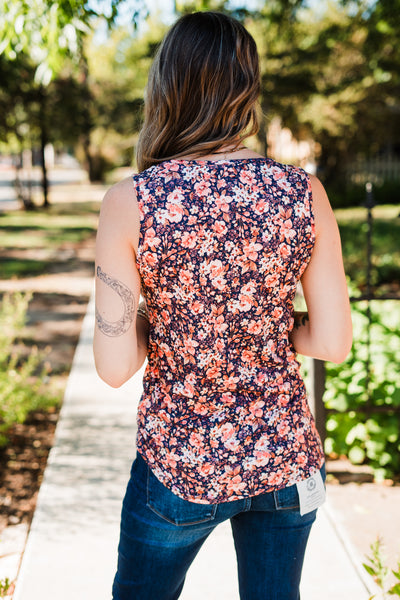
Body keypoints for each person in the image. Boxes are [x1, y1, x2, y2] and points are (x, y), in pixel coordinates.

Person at [93, 11, 352, 600]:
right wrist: (263, 326)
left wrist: (172, 320)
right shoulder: (302, 192)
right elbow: (333, 344)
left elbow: (113, 369)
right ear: (247, 91)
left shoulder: (131, 202)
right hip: (285, 458)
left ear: (165, 89)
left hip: (177, 465)